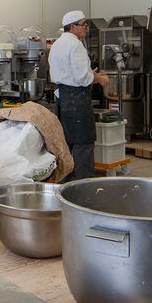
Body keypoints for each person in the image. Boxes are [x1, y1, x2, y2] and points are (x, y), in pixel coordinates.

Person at [48, 10, 108, 180]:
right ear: (72, 26)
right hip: (77, 99)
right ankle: (84, 186)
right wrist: (99, 79)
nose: (86, 28)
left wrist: (89, 74)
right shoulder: (75, 45)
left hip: (63, 98)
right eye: (83, 25)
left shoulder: (57, 44)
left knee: (66, 143)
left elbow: (72, 73)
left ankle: (64, 185)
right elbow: (82, 78)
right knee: (84, 143)